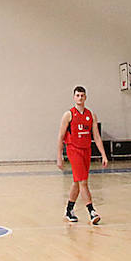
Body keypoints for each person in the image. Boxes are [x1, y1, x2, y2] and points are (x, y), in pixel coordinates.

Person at [57, 86, 108, 225]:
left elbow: (96, 137)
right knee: (83, 182)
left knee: (77, 182)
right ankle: (92, 211)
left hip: (86, 150)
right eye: (77, 95)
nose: (80, 98)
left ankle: (69, 210)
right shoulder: (69, 114)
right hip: (74, 150)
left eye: (82, 95)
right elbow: (61, 136)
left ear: (85, 97)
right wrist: (59, 156)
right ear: (74, 97)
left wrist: (103, 155)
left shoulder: (91, 115)